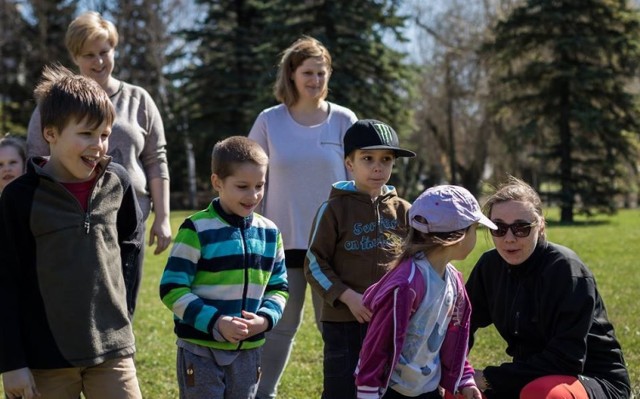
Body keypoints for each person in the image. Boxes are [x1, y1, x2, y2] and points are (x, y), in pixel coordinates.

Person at [0, 65, 143, 399]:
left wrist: (123, 318)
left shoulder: (118, 182)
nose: (99, 146)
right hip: (45, 362)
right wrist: (11, 362)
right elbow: (4, 280)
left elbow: (130, 251)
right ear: (50, 133)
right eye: (86, 134)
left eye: (105, 135)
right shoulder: (20, 197)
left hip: (113, 354)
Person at [26, 11, 171, 315]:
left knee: (123, 300)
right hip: (72, 217)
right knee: (80, 301)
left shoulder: (138, 99)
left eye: (105, 52)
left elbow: (156, 160)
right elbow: (36, 157)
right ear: (75, 56)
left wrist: (163, 217)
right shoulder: (55, 103)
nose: (99, 61)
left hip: (130, 217)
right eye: (88, 54)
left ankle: (120, 358)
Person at [248, 35, 357, 398]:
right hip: (284, 244)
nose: (315, 80)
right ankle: (262, 393)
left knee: (335, 328)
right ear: (291, 74)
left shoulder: (344, 120)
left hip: (335, 247)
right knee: (281, 325)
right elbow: (251, 178)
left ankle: (348, 391)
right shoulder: (269, 121)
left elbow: (359, 182)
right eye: (308, 72)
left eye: (321, 73)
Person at [465, 176, 631, 399]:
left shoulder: (567, 270)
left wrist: (489, 378)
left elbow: (567, 360)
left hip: (589, 379)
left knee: (544, 393)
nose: (509, 238)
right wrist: (455, 370)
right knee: (456, 389)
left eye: (521, 228)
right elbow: (462, 325)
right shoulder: (489, 266)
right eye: (499, 228)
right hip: (527, 377)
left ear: (540, 225)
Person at [159, 136, 289, 399]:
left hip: (250, 351)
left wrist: (264, 320)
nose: (253, 195)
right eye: (242, 186)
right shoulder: (196, 229)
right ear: (217, 182)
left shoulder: (270, 233)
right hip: (200, 349)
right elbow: (172, 288)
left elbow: (279, 288)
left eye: (260, 185)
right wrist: (216, 322)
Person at [305, 119, 416, 399]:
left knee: (388, 388)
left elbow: (417, 262)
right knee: (343, 389)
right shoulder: (333, 209)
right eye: (368, 158)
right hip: (344, 323)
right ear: (349, 164)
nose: (378, 167)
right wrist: (347, 297)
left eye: (386, 159)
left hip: (392, 321)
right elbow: (314, 262)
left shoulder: (405, 211)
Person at [355, 185, 497, 399]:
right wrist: (367, 391)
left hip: (428, 390)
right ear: (458, 234)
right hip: (391, 391)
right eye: (474, 229)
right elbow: (377, 343)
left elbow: (453, 338)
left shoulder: (454, 282)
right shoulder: (406, 285)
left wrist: (464, 377)